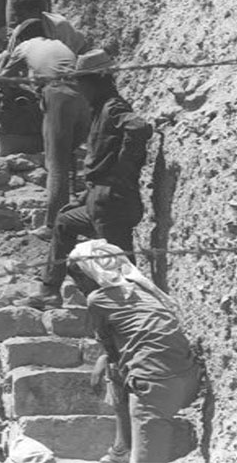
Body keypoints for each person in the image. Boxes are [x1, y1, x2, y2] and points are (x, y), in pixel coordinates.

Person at [24, 50, 152, 309]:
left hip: (112, 199)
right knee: (64, 222)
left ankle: (131, 316)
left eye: (82, 82)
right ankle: (50, 290)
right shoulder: (99, 109)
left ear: (96, 81)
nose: (79, 89)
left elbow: (139, 128)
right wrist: (85, 195)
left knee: (119, 271)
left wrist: (123, 172)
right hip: (98, 198)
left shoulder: (113, 107)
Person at [68, 240, 201, 463]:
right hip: (187, 379)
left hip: (154, 383)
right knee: (113, 370)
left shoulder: (97, 300)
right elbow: (115, 353)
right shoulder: (142, 288)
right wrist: (106, 361)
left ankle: (123, 449)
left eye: (79, 278)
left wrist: (104, 361)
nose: (79, 286)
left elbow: (110, 348)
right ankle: (121, 449)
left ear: (89, 274)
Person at [0, 15, 91, 237]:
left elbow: (2, 81)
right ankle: (80, 209)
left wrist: (4, 59)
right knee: (72, 153)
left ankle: (53, 226)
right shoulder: (61, 45)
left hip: (58, 95)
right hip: (86, 95)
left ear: (20, 38)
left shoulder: (24, 47)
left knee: (56, 163)